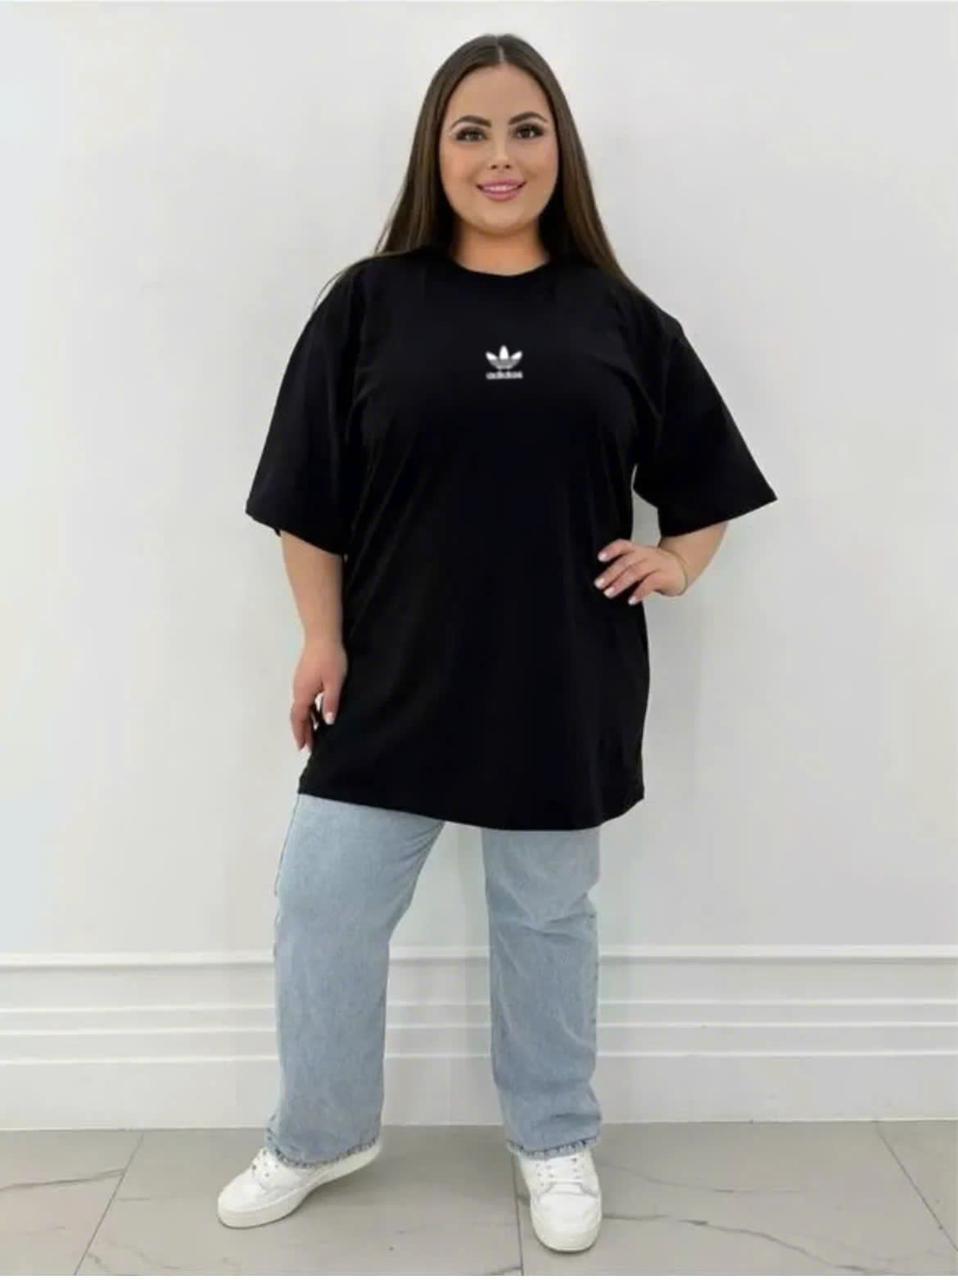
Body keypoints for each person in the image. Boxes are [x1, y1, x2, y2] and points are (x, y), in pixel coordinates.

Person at [217, 33, 777, 1254]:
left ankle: (552, 1133)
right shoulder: (368, 303)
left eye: (526, 129)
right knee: (322, 902)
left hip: (559, 674)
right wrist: (319, 637)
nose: (500, 156)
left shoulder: (620, 317)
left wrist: (678, 559)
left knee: (546, 918)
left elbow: (705, 481)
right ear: (435, 151)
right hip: (392, 671)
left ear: (559, 148)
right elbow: (307, 495)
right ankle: (319, 1129)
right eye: (470, 131)